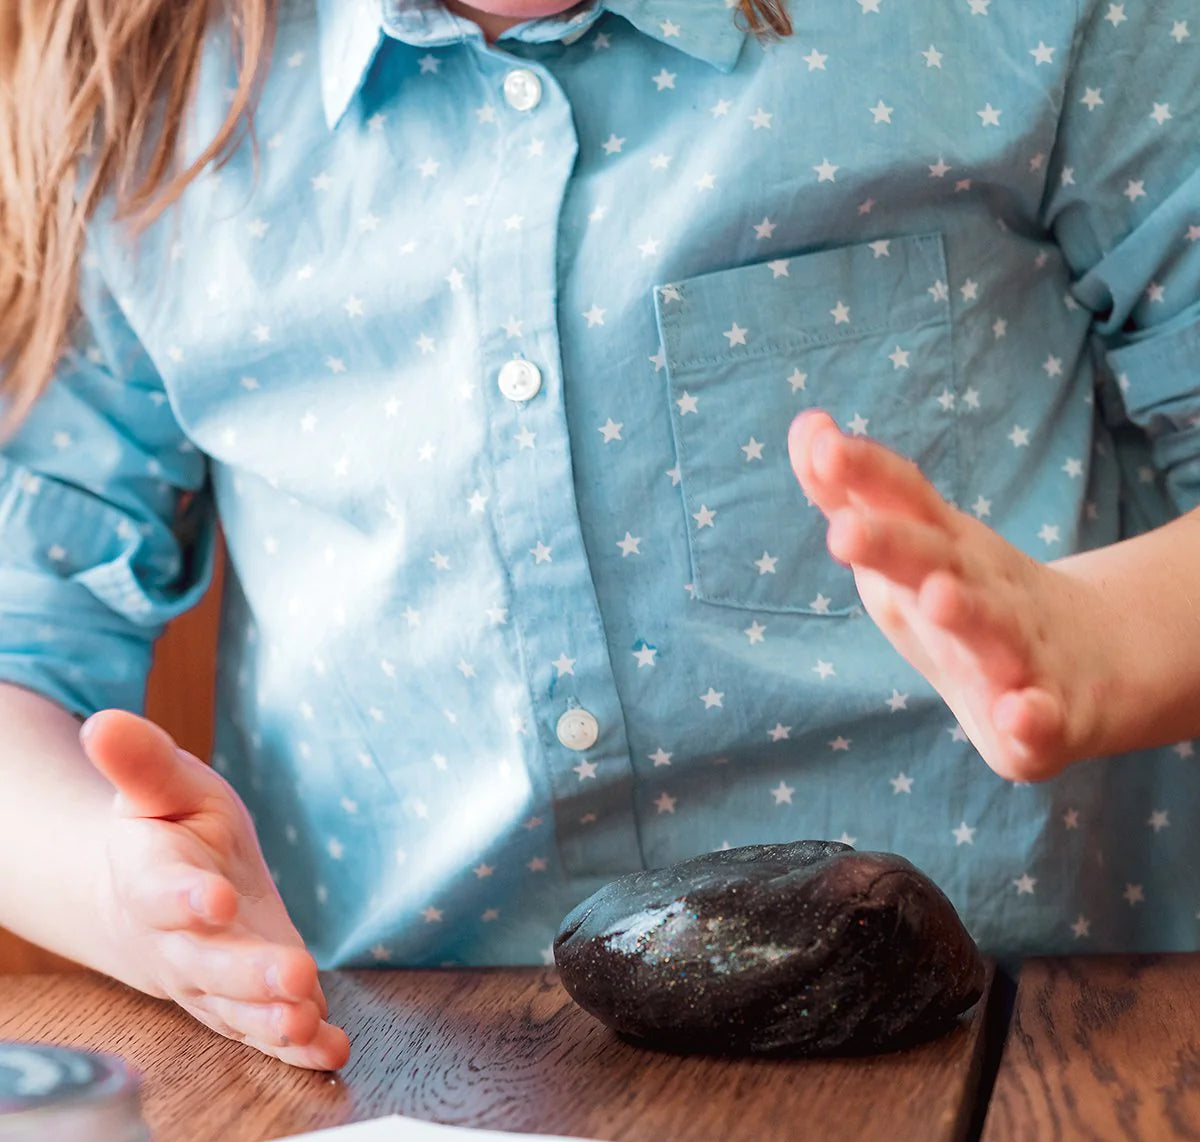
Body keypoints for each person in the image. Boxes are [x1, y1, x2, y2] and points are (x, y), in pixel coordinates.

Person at [0, 0, 1197, 1070]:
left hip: (1020, 1057)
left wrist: (1104, 638)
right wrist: (119, 891)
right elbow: (20, 643)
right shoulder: (144, 93)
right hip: (403, 1089)